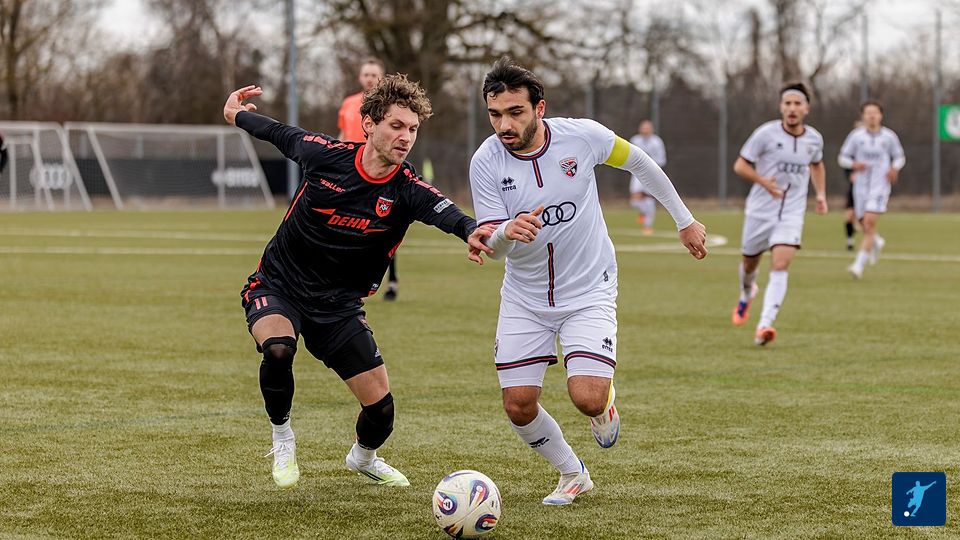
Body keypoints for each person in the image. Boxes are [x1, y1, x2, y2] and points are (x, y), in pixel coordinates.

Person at [223, 76, 489, 489]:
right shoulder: (325, 155)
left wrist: (471, 231)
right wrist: (235, 114)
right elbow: (277, 132)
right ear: (368, 124)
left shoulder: (406, 188)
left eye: (412, 129)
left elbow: (447, 212)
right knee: (278, 349)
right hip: (278, 287)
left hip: (338, 307)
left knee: (381, 411)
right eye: (396, 125)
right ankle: (283, 437)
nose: (405, 137)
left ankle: (363, 458)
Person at [468, 57, 707, 506]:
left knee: (588, 399)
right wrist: (505, 233)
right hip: (524, 297)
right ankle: (572, 473)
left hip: (589, 288)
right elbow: (491, 247)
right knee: (518, 403)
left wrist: (684, 220)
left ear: (540, 108)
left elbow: (640, 163)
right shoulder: (485, 161)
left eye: (515, 112)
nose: (504, 125)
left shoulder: (583, 137)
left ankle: (604, 403)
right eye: (495, 114)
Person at [730, 82, 827, 346]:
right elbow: (740, 165)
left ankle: (764, 326)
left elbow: (817, 165)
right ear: (781, 107)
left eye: (797, 104)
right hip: (760, 211)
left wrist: (820, 195)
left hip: (792, 212)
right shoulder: (765, 134)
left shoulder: (814, 139)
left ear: (806, 109)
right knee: (749, 264)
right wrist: (762, 181)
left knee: (781, 264)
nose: (792, 108)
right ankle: (746, 293)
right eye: (787, 103)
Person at [338, 58, 400, 299]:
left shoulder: (391, 106)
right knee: (347, 225)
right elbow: (343, 135)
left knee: (384, 226)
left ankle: (391, 280)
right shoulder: (348, 104)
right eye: (366, 74)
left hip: (380, 173)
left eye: (374, 74)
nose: (370, 79)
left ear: (381, 77)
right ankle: (346, 280)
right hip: (353, 173)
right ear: (360, 77)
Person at [838, 100, 905, 279]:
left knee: (868, 223)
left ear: (881, 115)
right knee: (862, 223)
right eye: (868, 113)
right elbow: (842, 158)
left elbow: (900, 157)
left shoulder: (889, 137)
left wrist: (894, 168)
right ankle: (876, 241)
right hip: (860, 187)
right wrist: (853, 164)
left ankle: (858, 266)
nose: (872, 116)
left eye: (875, 113)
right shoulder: (856, 136)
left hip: (880, 187)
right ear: (863, 116)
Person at [628, 119, 667, 235]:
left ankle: (647, 225)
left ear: (651, 129)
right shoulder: (635, 140)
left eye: (647, 128)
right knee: (635, 200)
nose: (645, 130)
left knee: (649, 199)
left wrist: (650, 165)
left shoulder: (657, 142)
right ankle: (643, 212)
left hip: (651, 174)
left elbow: (662, 159)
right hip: (636, 173)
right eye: (643, 127)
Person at [841, 120, 863, 251]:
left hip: (868, 189)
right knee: (849, 215)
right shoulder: (850, 152)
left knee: (865, 219)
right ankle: (850, 241)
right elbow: (844, 163)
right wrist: (851, 175)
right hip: (854, 187)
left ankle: (871, 242)